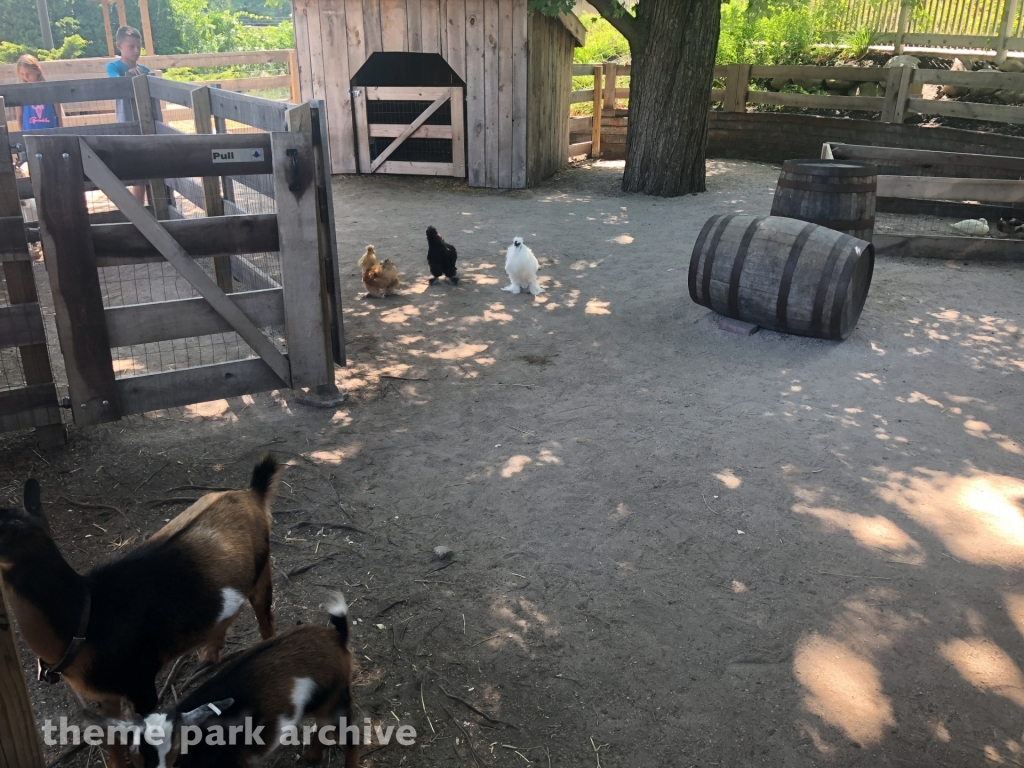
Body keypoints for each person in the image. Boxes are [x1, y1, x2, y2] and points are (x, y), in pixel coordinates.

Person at [107, 25, 152, 202]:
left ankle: (151, 210)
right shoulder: (114, 67)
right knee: (136, 172)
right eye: (131, 46)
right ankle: (138, 211)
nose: (135, 51)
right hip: (127, 122)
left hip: (145, 122)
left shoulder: (145, 70)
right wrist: (129, 76)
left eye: (138, 47)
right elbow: (114, 82)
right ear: (120, 46)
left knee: (148, 168)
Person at [15, 55, 63, 131]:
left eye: (28, 74)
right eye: (22, 74)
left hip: (52, 133)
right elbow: (19, 117)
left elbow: (59, 116)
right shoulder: (21, 93)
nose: (26, 77)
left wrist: (61, 133)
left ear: (38, 70)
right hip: (30, 134)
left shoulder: (50, 90)